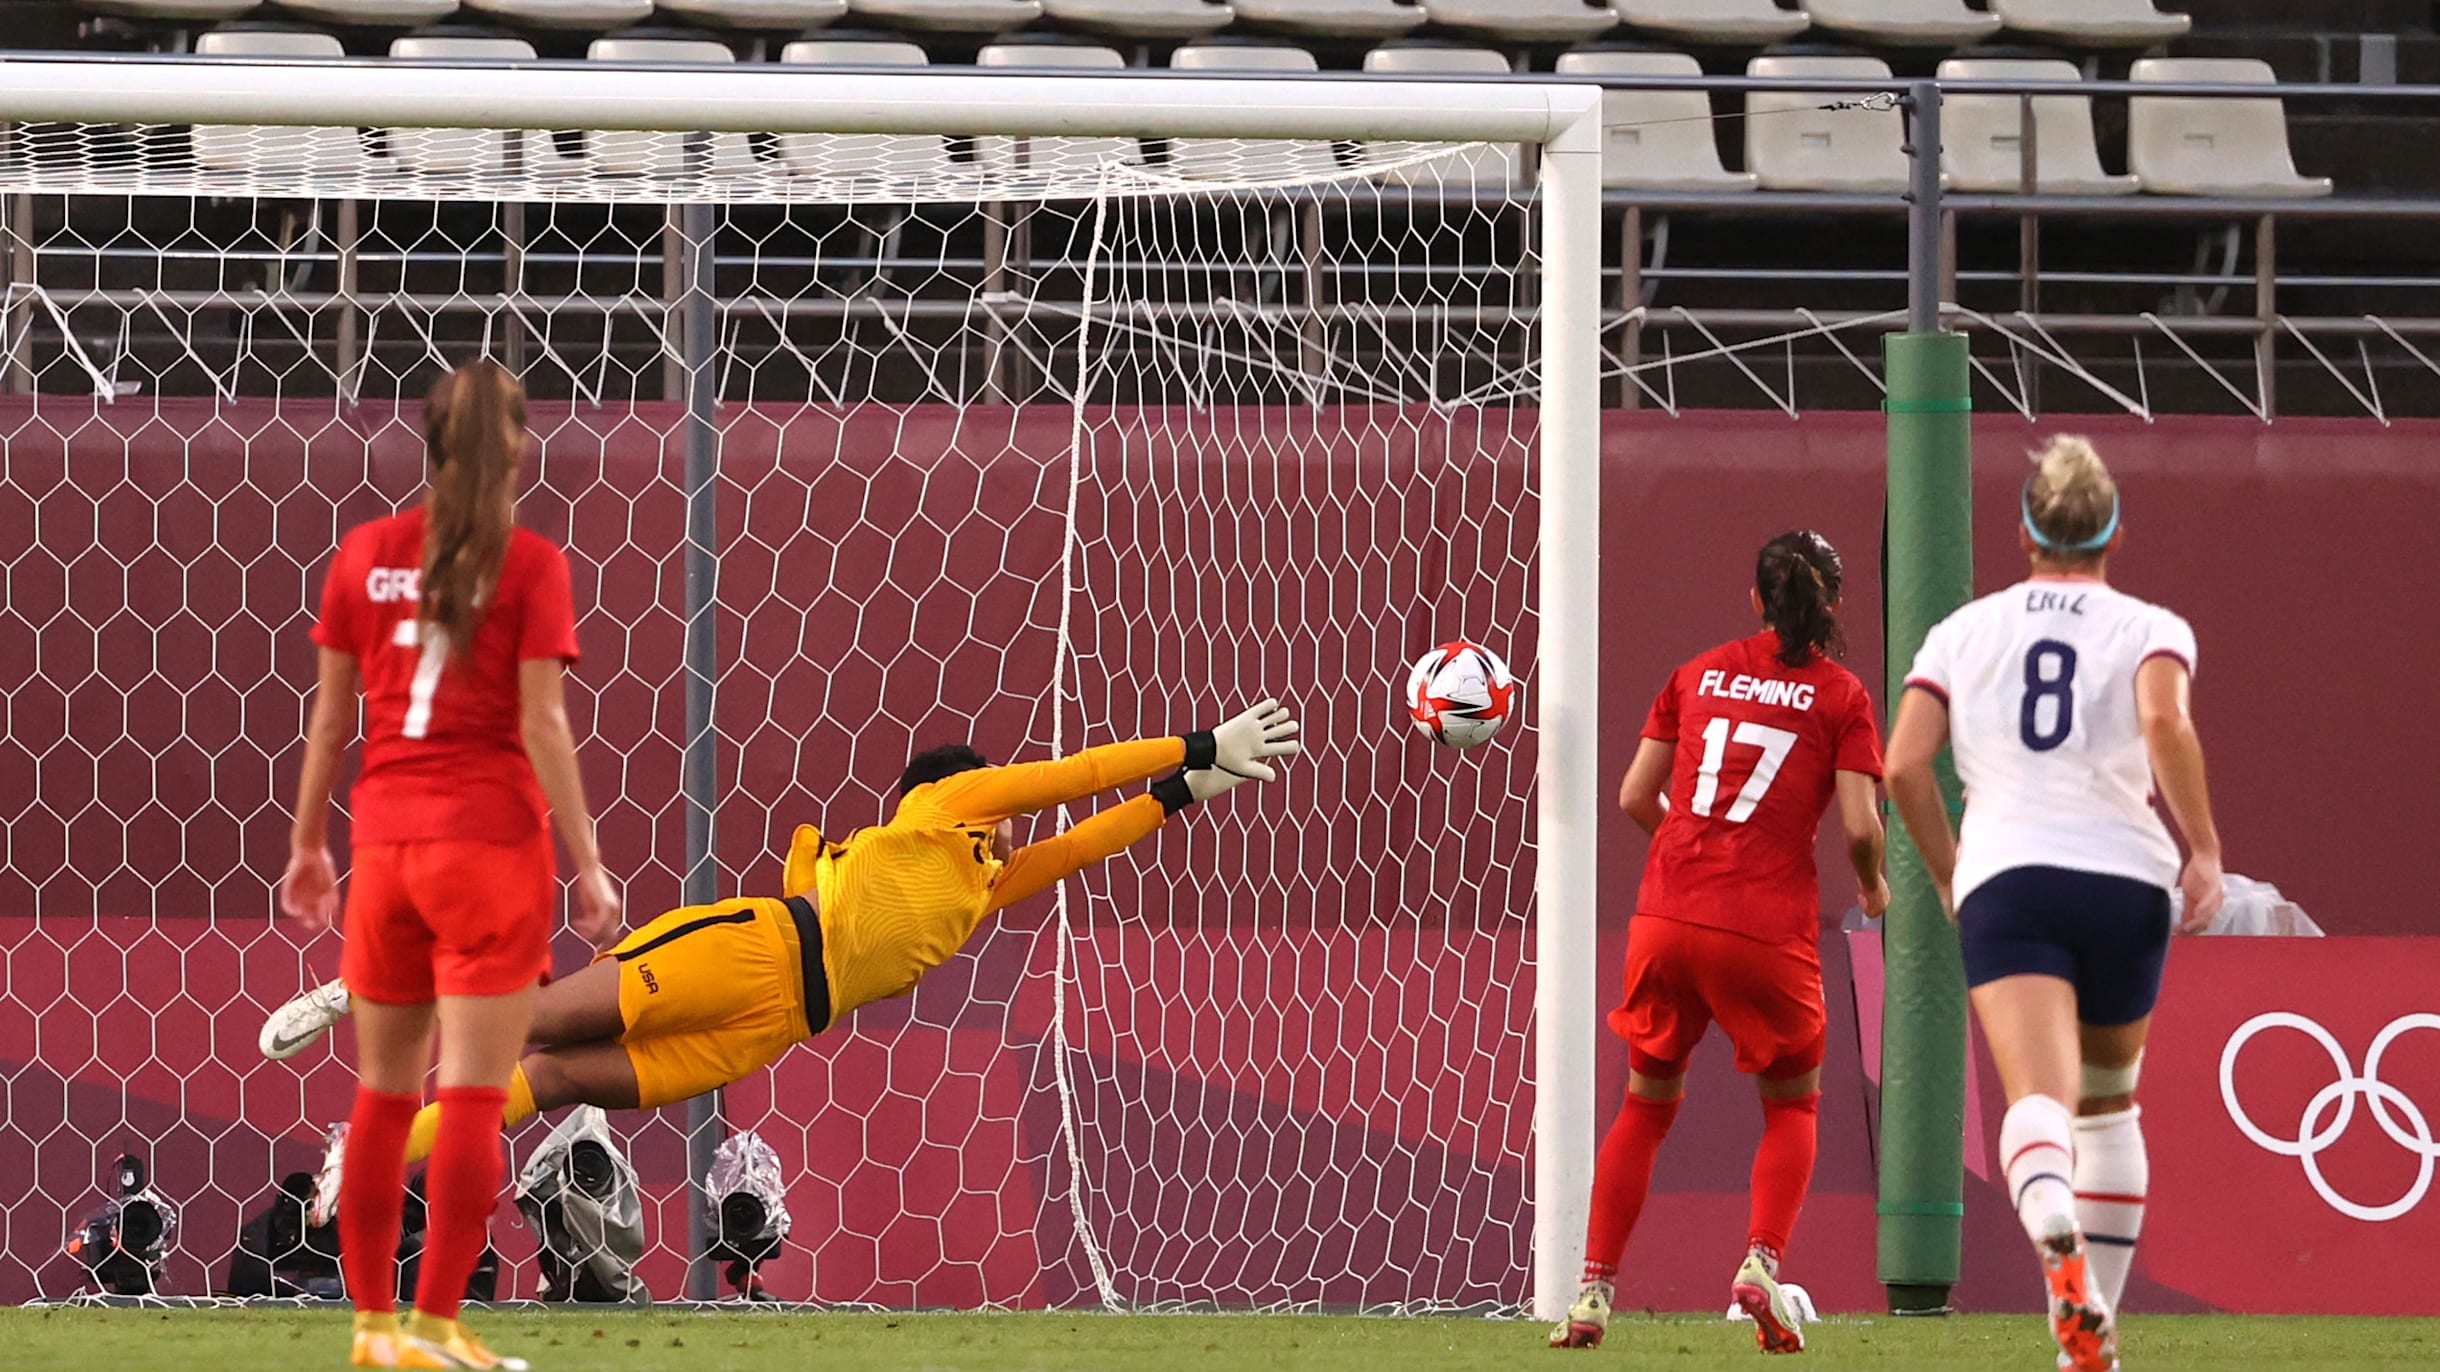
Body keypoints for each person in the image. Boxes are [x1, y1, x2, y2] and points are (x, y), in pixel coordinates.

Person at [264, 705, 1301, 1192]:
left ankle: (368, 1156)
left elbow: (1079, 843)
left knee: (546, 1076)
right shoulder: (944, 806)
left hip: (774, 1026)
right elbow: (1068, 778)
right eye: (999, 808)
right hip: (753, 948)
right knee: (533, 1015)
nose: (1012, 833)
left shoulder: (985, 888)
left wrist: (1179, 796)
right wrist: (1196, 743)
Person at [279, 359, 621, 1371]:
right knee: (471, 1094)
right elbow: (542, 721)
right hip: (490, 852)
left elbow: (334, 718)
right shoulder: (529, 565)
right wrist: (591, 864)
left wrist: (307, 845)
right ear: (515, 448)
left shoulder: (364, 556)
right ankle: (436, 1327)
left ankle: (372, 1329)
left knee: (381, 1098)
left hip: (385, 847)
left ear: (425, 444)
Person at [1884, 436, 2224, 1372]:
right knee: (2110, 1110)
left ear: (2026, 530)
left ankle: (2057, 1247)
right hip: (2124, 879)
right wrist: (2204, 850)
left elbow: (1904, 762)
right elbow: (2165, 721)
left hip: (2012, 878)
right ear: (2112, 530)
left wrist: (1951, 871)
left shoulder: (1964, 632)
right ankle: (2092, 1335)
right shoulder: (2149, 626)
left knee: (2038, 1099)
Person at [1553, 532, 1888, 1355]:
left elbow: (1637, 794)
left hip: (1666, 915)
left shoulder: (1695, 671)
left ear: (1754, 600)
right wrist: (1877, 890)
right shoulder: (1842, 696)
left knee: (1644, 1106)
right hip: (1763, 929)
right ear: (1834, 604)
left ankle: (1593, 1293)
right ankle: (1760, 1265)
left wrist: (1693, 854)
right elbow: (1859, 827)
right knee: (1793, 1103)